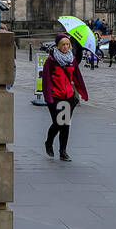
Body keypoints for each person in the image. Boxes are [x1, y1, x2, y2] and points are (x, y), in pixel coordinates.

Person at [41, 33, 89, 162]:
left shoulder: (71, 60)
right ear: (58, 45)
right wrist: (48, 97)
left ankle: (63, 152)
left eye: (68, 44)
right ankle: (49, 142)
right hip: (54, 96)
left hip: (68, 96)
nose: (66, 47)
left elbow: (77, 77)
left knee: (65, 124)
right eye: (63, 44)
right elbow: (46, 80)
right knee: (58, 122)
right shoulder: (51, 61)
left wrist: (82, 93)